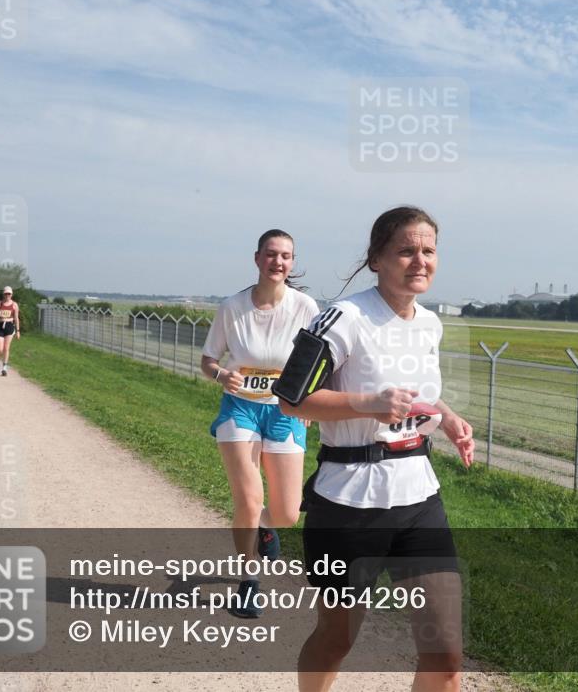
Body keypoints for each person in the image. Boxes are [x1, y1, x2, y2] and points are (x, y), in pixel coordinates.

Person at [276, 206, 475, 692]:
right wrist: (369, 404)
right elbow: (290, 399)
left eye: (428, 251)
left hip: (419, 498)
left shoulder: (429, 324)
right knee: (337, 639)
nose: (419, 261)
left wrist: (445, 417)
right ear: (376, 260)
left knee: (446, 654)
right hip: (349, 503)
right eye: (405, 251)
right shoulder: (345, 317)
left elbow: (414, 390)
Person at [200, 229, 319, 618]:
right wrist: (221, 376)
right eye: (271, 254)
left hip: (285, 412)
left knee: (286, 511)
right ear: (257, 259)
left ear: (292, 263)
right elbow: (209, 361)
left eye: (286, 256)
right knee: (248, 501)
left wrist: (313, 403)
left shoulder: (305, 308)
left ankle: (265, 528)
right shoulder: (232, 307)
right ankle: (249, 582)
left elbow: (320, 362)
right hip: (240, 409)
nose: (278, 262)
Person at [0, 287, 21, 376]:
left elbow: (16, 318)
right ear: (3, 294)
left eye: (9, 294)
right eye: (6, 294)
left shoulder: (14, 305)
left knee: (6, 348)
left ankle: (4, 368)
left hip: (9, 326)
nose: (7, 295)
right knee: (0, 348)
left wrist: (18, 330)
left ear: (11, 295)